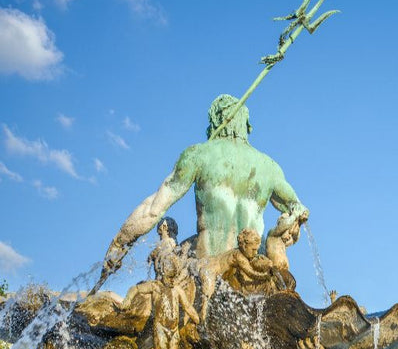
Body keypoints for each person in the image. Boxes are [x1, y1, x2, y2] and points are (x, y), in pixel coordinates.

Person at [101, 94, 309, 278]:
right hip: (255, 269)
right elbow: (297, 210)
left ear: (217, 120)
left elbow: (152, 211)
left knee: (167, 261)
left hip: (209, 265)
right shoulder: (270, 168)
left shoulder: (198, 154)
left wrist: (119, 245)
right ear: (245, 125)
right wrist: (289, 231)